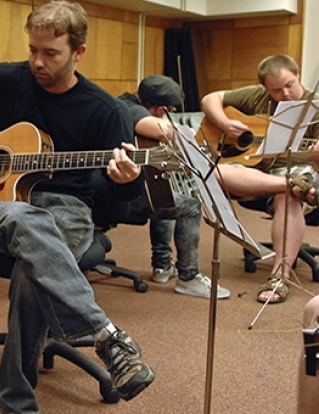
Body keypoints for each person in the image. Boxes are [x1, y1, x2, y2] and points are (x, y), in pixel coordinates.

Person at [0, 2, 155, 412]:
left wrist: (129, 180)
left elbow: (121, 204)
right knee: (14, 215)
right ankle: (106, 335)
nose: (37, 61)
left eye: (50, 54)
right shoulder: (8, 78)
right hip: (5, 204)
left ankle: (15, 399)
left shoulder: (107, 111)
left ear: (78, 52)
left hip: (67, 210)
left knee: (30, 272)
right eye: (33, 49)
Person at [201, 54, 319, 304]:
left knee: (286, 197)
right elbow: (210, 98)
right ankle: (291, 187)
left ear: (298, 76)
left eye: (290, 85)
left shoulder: (315, 108)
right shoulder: (257, 96)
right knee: (217, 172)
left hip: (301, 172)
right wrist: (224, 123)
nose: (285, 93)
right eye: (276, 90)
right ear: (266, 88)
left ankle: (280, 277)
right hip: (257, 172)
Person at [118, 75, 230, 299]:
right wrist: (189, 137)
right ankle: (188, 277)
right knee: (189, 206)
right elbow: (162, 131)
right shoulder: (131, 111)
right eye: (168, 109)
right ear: (160, 109)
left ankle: (162, 266)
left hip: (117, 188)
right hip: (118, 195)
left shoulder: (125, 102)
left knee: (163, 193)